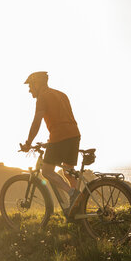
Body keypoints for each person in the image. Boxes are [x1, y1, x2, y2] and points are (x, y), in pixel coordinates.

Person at [20, 71, 81, 215]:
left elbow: (37, 121)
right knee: (68, 171)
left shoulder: (42, 97)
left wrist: (28, 143)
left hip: (60, 136)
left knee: (47, 171)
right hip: (74, 135)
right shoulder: (61, 94)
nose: (29, 90)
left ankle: (72, 194)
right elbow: (63, 118)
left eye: (30, 86)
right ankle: (78, 208)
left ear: (37, 84)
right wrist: (51, 141)